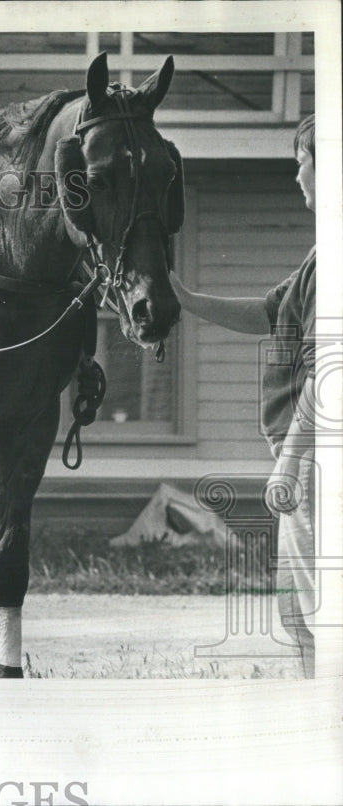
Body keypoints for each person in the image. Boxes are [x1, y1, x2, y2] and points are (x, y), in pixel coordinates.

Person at [171, 113, 317, 677]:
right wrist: (184, 298)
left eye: (302, 159)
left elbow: (328, 375)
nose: (297, 174)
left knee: (312, 611)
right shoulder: (317, 257)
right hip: (304, 458)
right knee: (297, 605)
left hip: (315, 458)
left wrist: (291, 460)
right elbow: (266, 312)